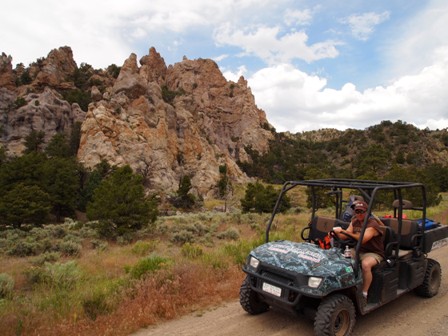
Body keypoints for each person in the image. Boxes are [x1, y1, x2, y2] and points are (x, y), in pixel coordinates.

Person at [333, 201, 384, 299]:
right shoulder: (354, 221)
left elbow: (363, 238)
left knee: (365, 265)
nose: (359, 214)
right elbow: (346, 234)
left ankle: (364, 292)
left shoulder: (372, 224)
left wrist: (343, 231)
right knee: (341, 258)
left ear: (367, 212)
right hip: (358, 250)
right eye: (357, 211)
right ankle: (347, 286)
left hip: (374, 252)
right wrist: (336, 233)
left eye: (361, 211)